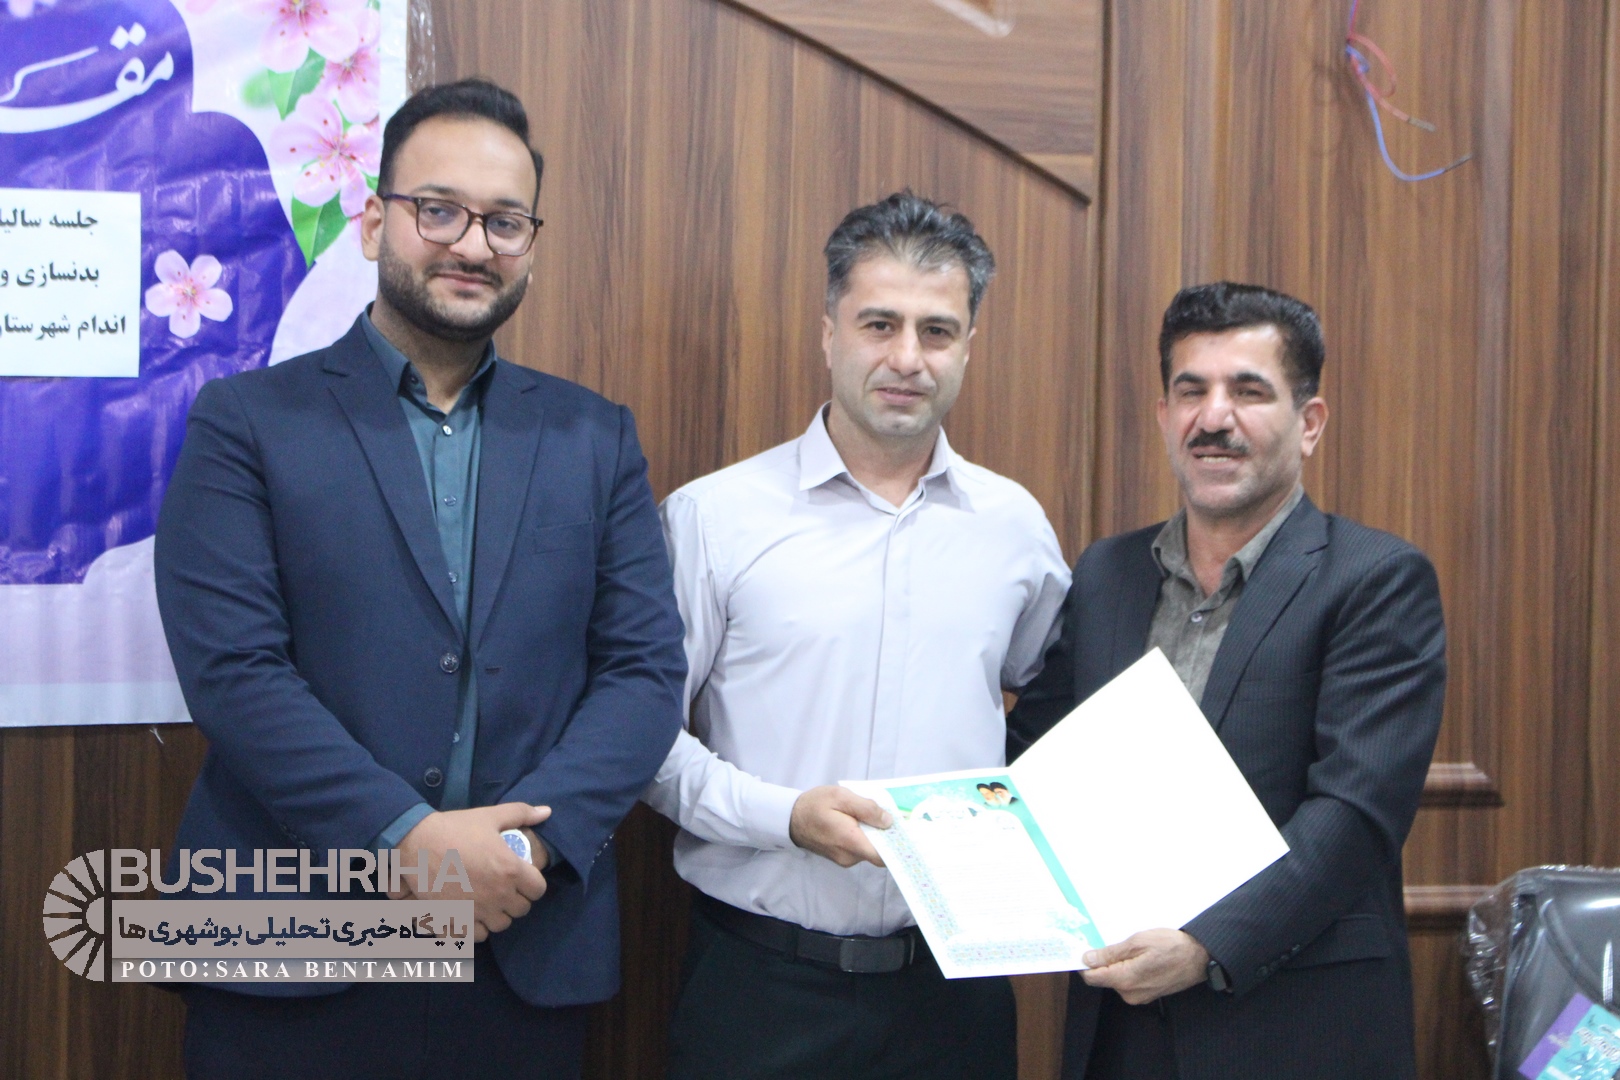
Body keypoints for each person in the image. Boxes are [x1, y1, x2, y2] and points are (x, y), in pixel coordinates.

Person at [154, 78, 686, 1079]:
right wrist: (408, 840)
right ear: (373, 222)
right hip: (292, 947)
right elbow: (233, 673)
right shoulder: (246, 422)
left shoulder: (594, 436)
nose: (473, 244)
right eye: (438, 210)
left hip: (520, 937)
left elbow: (646, 673)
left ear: (531, 244)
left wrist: (520, 851)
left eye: (505, 221)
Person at [643, 191, 1072, 1079]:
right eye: (880, 324)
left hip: (954, 998)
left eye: (937, 331)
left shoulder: (1015, 530)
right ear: (829, 334)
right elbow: (644, 744)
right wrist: (786, 819)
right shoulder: (713, 519)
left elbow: (1052, 704)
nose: (907, 358)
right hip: (759, 990)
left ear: (968, 347)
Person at [1008, 282, 1446, 1080]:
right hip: (1120, 1027)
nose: (1214, 418)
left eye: (1248, 391)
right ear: (1164, 416)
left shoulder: (1377, 579)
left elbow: (1355, 813)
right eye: (1191, 391)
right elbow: (1031, 757)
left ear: (1309, 423)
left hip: (1295, 1027)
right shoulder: (1107, 573)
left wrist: (1206, 945)